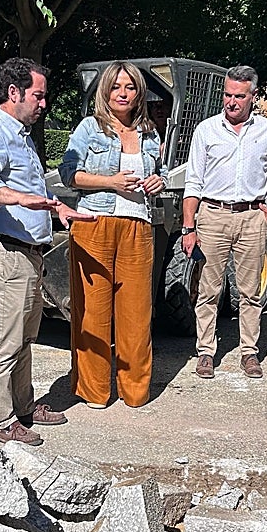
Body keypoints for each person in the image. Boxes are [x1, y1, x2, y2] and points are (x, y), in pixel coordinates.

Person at [0, 58, 94, 445]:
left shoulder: (20, 135)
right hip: (6, 255)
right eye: (38, 95)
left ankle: (23, 406)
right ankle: (0, 421)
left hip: (26, 256)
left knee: (22, 337)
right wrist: (20, 198)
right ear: (13, 93)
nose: (43, 104)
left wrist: (59, 208)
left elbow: (35, 187)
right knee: (4, 342)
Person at [59, 62, 168, 408]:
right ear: (105, 92)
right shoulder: (89, 129)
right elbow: (68, 174)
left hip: (138, 225)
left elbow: (161, 173)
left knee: (137, 315)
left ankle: (135, 389)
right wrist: (110, 181)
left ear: (139, 94)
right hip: (95, 224)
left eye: (130, 87)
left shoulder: (151, 133)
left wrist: (157, 182)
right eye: (116, 87)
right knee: (93, 313)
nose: (123, 93)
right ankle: (94, 391)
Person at [181, 65, 267, 380]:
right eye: (227, 94)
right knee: (208, 289)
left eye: (239, 96)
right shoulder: (206, 130)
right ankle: (205, 351)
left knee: (250, 290)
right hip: (213, 215)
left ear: (252, 96)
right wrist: (189, 227)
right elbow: (194, 183)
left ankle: (249, 352)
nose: (232, 101)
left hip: (251, 217)